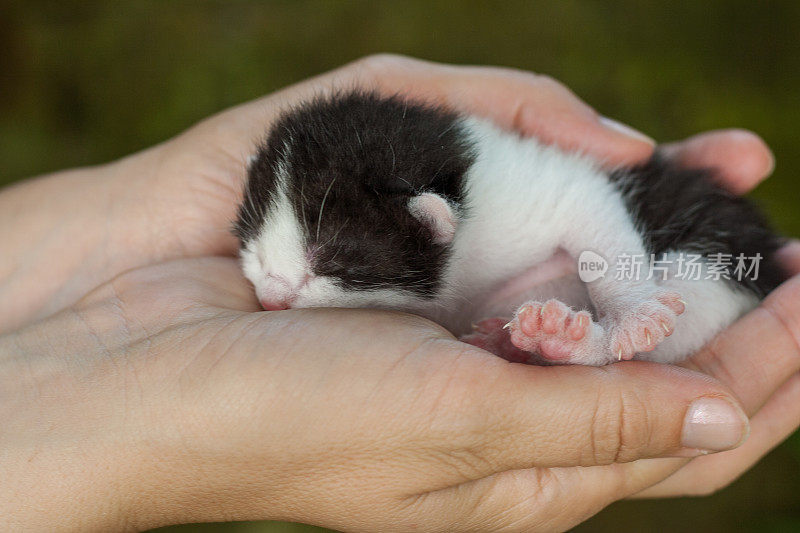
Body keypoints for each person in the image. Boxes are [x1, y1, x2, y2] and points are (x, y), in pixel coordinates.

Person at [1, 55, 798, 532]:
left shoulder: (503, 190)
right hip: (553, 296)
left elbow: (584, 205)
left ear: (430, 224)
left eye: (313, 259)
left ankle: (595, 339)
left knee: (691, 288)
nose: (271, 286)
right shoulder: (384, 231)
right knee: (529, 331)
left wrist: (626, 303)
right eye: (253, 245)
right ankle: (563, 343)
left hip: (684, 255)